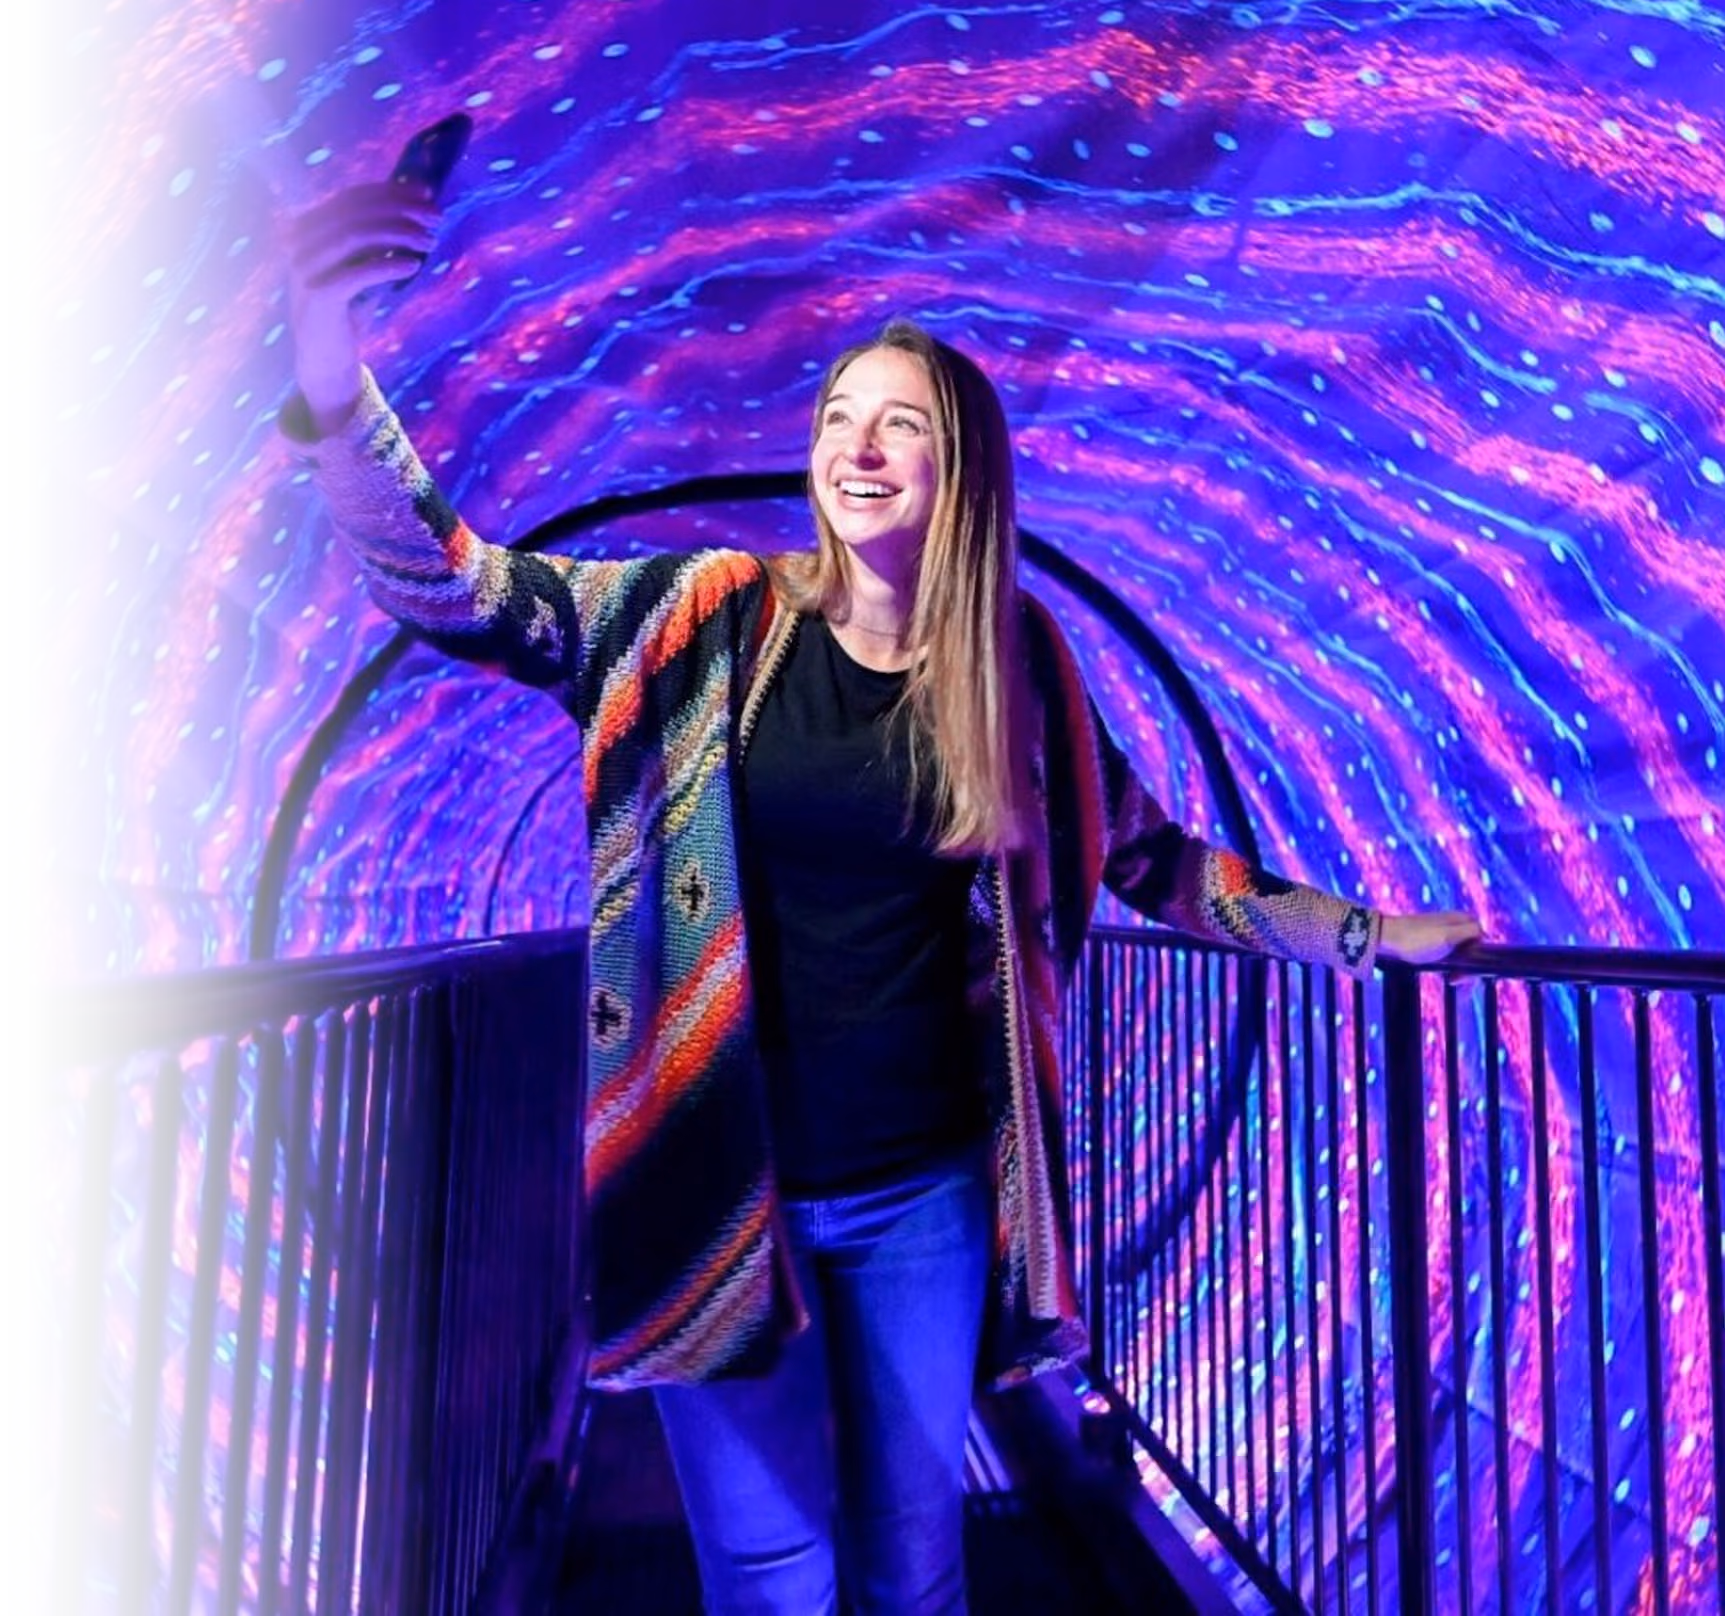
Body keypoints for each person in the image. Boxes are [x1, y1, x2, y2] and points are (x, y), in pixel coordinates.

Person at [281, 177, 1482, 1616]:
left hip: (925, 1192)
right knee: (770, 1572)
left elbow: (1157, 862)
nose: (858, 443)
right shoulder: (701, 618)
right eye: (842, 414)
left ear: (958, 466)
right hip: (724, 1186)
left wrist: (1370, 936)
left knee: (915, 1562)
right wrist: (332, 372)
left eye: (898, 420)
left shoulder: (1017, 660)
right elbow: (459, 591)